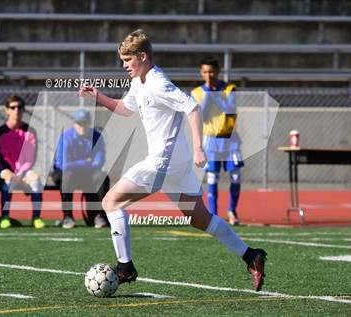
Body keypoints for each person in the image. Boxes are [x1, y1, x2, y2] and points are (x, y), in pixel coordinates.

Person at [80, 29, 267, 291]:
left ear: (142, 56)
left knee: (111, 201)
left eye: (127, 60)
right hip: (176, 166)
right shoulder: (139, 82)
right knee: (199, 218)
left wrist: (200, 148)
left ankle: (125, 267)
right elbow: (125, 109)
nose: (123, 66)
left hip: (163, 162)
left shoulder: (158, 82)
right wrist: (98, 97)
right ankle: (251, 255)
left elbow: (192, 107)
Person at [191, 57, 244, 226]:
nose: (209, 75)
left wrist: (215, 95)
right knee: (212, 177)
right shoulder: (197, 92)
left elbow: (229, 110)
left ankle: (232, 211)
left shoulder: (229, 88)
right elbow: (204, 117)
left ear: (218, 71)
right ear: (201, 73)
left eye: (212, 71)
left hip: (230, 138)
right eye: (205, 72)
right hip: (211, 140)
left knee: (235, 175)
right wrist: (209, 94)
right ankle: (214, 214)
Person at [51, 108, 109, 229]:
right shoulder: (66, 137)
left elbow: (99, 162)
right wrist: (85, 162)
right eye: (79, 123)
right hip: (64, 173)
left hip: (87, 173)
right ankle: (67, 217)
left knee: (102, 177)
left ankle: (99, 215)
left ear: (90, 123)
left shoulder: (97, 137)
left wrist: (78, 164)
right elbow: (64, 165)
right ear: (74, 123)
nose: (82, 126)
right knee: (68, 176)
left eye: (85, 122)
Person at [0, 95, 45, 229]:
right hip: (6, 169)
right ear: (7, 110)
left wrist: (21, 173)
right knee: (8, 178)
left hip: (24, 170)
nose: (16, 110)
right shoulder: (0, 132)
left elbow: (31, 157)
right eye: (13, 107)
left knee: (36, 179)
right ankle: (5, 217)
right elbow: (1, 156)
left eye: (19, 107)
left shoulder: (30, 131)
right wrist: (13, 174)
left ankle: (36, 218)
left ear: (23, 110)